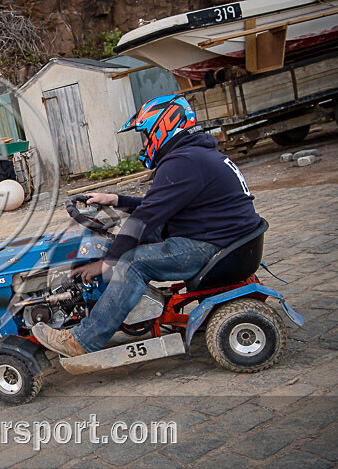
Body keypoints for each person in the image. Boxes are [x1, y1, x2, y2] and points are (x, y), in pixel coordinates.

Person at [32, 94, 261, 357]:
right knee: (131, 238)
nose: (146, 142)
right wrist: (116, 200)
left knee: (131, 262)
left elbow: (146, 216)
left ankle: (82, 340)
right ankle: (120, 302)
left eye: (146, 134)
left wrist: (106, 263)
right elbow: (162, 203)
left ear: (163, 126)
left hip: (212, 246)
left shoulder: (183, 161)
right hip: (222, 237)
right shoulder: (195, 155)